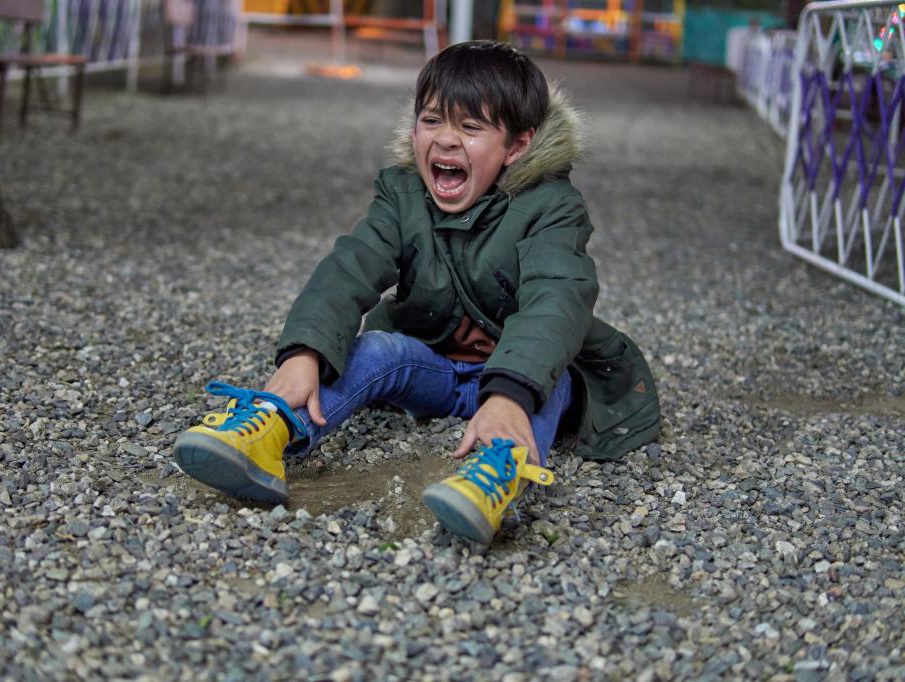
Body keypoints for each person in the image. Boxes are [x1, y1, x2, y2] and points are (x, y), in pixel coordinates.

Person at [173, 40, 660, 545]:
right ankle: (273, 428)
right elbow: (349, 268)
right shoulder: (403, 194)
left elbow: (555, 300)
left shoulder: (552, 206)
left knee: (552, 384)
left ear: (517, 146)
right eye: (432, 121)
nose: (446, 141)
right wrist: (304, 351)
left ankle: (494, 475)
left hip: (520, 379)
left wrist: (511, 394)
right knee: (377, 349)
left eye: (471, 128)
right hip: (438, 366)